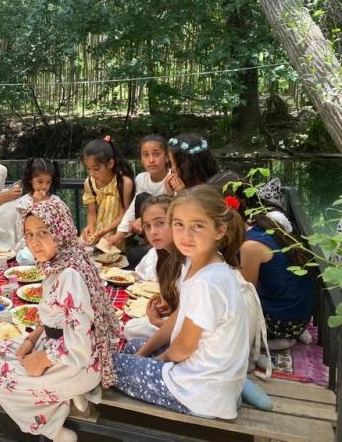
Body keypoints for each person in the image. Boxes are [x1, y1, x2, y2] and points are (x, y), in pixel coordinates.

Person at [0, 197, 121, 442]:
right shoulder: (64, 260)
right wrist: (32, 339)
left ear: (60, 231)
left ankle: (54, 431)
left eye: (43, 233)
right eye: (28, 234)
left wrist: (40, 359)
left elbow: (78, 343)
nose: (34, 242)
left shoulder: (69, 274)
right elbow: (58, 316)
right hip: (61, 346)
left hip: (77, 361)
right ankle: (63, 395)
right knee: (4, 349)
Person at [112, 186, 251, 419]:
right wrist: (142, 356)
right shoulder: (196, 263)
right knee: (134, 347)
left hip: (200, 393)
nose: (186, 235)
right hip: (215, 378)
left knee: (106, 364)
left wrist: (157, 362)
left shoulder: (207, 283)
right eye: (179, 224)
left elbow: (183, 348)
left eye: (197, 225)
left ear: (219, 230)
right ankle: (239, 389)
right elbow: (178, 318)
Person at [215, 173, 315, 349]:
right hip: (299, 317)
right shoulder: (260, 223)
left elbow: (245, 294)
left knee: (214, 320)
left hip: (283, 323)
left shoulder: (250, 246)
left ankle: (266, 342)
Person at [125, 195, 181, 340]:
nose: (152, 232)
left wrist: (157, 322)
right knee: (131, 328)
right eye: (147, 226)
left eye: (160, 223)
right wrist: (171, 306)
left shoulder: (190, 258)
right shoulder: (161, 253)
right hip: (176, 322)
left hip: (195, 339)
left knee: (131, 329)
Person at [106, 135, 168, 251]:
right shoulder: (141, 178)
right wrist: (119, 234)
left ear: (167, 157)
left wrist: (144, 219)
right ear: (141, 160)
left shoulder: (172, 179)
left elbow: (175, 210)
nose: (151, 160)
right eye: (146, 155)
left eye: (156, 154)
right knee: (141, 198)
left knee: (145, 198)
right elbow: (133, 208)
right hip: (149, 231)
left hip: (168, 231)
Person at [81, 136, 134, 252]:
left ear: (110, 164)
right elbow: (91, 213)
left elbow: (124, 214)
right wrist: (90, 226)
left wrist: (104, 231)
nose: (92, 173)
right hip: (97, 235)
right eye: (88, 169)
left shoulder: (124, 182)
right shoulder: (89, 183)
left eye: (96, 168)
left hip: (117, 236)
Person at [15, 158, 63, 265]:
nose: (44, 186)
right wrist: (36, 204)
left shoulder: (55, 201)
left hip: (52, 244)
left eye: (48, 182)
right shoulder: (24, 202)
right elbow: (23, 230)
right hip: (31, 244)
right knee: (25, 258)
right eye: (40, 182)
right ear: (31, 180)